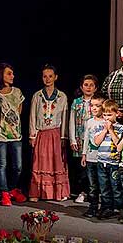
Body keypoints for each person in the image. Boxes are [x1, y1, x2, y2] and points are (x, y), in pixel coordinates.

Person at [29, 64, 70, 202]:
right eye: (45, 76)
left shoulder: (62, 96)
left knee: (57, 161)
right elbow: (33, 116)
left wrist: (64, 136)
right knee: (40, 161)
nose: (47, 79)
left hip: (56, 133)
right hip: (42, 133)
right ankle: (38, 192)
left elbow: (65, 117)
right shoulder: (37, 95)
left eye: (50, 76)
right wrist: (32, 135)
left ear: (56, 77)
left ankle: (58, 192)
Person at [0, 63, 26, 206]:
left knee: (18, 166)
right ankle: (4, 192)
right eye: (9, 73)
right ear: (1, 75)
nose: (12, 76)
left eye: (12, 73)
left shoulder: (17, 92)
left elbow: (18, 111)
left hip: (15, 135)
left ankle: (12, 189)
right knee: (2, 165)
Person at [93, 99, 123, 220]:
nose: (107, 117)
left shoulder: (121, 128)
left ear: (117, 114)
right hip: (102, 162)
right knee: (104, 187)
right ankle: (107, 208)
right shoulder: (99, 127)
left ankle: (120, 208)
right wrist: (105, 130)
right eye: (105, 115)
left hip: (114, 163)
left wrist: (111, 130)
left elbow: (118, 144)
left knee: (116, 187)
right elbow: (96, 142)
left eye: (109, 114)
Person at [69, 74, 98, 203]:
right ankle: (82, 192)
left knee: (93, 168)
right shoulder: (77, 102)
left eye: (91, 85)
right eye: (86, 85)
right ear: (81, 87)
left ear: (95, 88)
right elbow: (71, 121)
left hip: (94, 140)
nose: (88, 87)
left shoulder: (97, 103)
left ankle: (94, 193)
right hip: (79, 139)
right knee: (81, 168)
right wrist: (72, 140)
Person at [81, 93, 105, 218]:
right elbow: (86, 138)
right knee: (92, 185)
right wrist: (84, 154)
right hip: (91, 158)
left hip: (103, 158)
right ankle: (93, 207)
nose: (94, 108)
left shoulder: (106, 122)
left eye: (97, 106)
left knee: (104, 185)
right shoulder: (89, 122)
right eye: (92, 105)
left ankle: (105, 208)